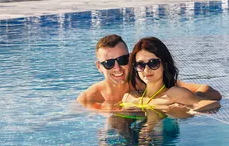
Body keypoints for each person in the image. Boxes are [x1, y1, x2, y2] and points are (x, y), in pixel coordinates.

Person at [77, 34, 221, 108]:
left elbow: (210, 92)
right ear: (99, 67)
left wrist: (191, 100)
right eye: (108, 63)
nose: (117, 68)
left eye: (122, 60)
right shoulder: (90, 98)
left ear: (130, 59)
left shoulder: (145, 80)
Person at [120, 37, 221, 113]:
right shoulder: (129, 97)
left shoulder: (174, 94)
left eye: (153, 63)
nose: (146, 69)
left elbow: (213, 104)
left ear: (165, 64)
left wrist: (189, 109)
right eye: (140, 64)